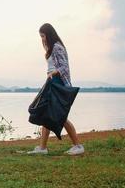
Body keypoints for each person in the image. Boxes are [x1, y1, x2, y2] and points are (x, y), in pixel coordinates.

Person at [27, 23, 84, 155]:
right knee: (46, 113)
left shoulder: (57, 47)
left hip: (58, 83)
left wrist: (53, 73)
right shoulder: (52, 48)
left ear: (49, 34)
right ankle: (42, 148)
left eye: (43, 36)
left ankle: (78, 146)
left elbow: (64, 67)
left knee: (60, 116)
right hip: (52, 82)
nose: (42, 39)